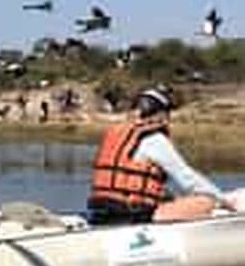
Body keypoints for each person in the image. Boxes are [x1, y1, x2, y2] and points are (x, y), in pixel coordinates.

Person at [87, 86, 235, 224]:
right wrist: (224, 200)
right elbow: (187, 178)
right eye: (166, 113)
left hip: (100, 213)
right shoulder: (154, 139)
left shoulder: (116, 133)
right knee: (206, 201)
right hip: (133, 215)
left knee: (170, 198)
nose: (167, 120)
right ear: (160, 114)